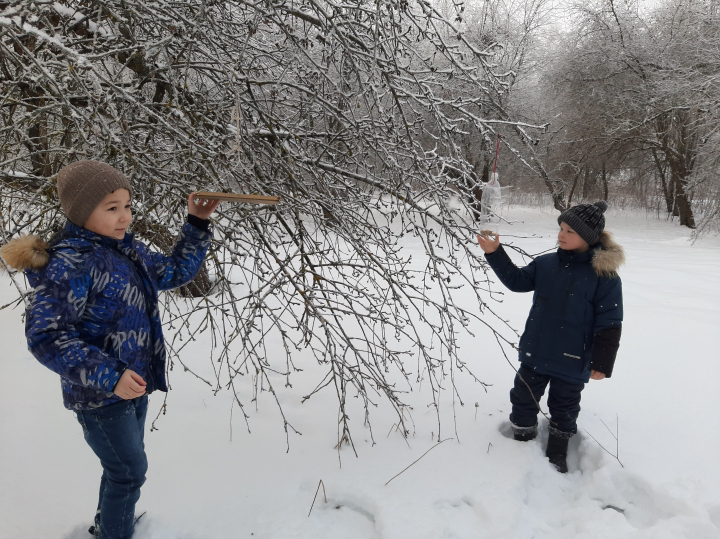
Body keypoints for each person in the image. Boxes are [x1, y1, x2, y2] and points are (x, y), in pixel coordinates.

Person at [0, 160, 219, 538]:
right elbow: (47, 335)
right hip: (100, 396)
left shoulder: (126, 251)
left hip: (133, 384)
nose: (124, 217)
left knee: (120, 469)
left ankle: (108, 525)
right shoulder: (71, 263)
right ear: (83, 213)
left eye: (128, 206)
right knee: (129, 472)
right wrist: (110, 376)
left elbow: (173, 272)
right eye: (112, 208)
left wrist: (196, 223)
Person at [477, 201, 624, 473]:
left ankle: (557, 451)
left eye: (570, 231)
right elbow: (518, 282)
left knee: (564, 406)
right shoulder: (546, 263)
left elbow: (610, 321)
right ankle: (522, 441)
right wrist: (496, 254)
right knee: (523, 397)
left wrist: (602, 362)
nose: (562, 234)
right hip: (537, 350)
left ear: (589, 237)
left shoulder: (603, 276)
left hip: (573, 359)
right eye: (561, 227)